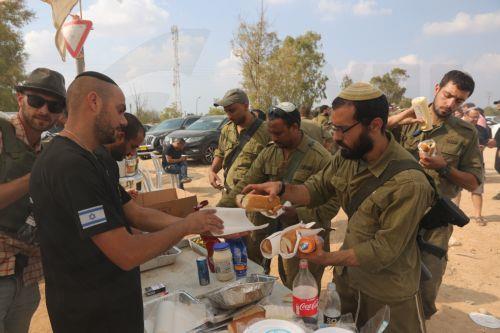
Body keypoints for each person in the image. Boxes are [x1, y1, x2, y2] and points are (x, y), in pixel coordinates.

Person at [29, 71, 224, 332]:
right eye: (120, 110)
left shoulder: (91, 159)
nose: (123, 121)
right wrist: (184, 227)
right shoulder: (70, 166)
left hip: (111, 307)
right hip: (91, 317)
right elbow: (127, 253)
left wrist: (193, 222)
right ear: (94, 102)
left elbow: (134, 213)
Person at [243, 83, 434, 332]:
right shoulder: (348, 156)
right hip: (348, 282)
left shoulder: (410, 182)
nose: (335, 137)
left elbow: (384, 250)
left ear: (375, 125)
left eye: (343, 129)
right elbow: (315, 189)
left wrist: (326, 258)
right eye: (334, 128)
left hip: (387, 294)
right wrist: (280, 189)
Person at [390, 70, 482, 319]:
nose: (451, 104)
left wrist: (443, 167)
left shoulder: (465, 133)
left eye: (459, 101)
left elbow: (474, 181)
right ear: (436, 88)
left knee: (426, 286)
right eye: (448, 95)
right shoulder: (408, 121)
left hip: (435, 221)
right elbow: (368, 135)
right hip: (396, 215)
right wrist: (400, 117)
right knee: (387, 280)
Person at [220, 102, 339, 288]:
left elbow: (332, 204)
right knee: (255, 275)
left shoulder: (321, 158)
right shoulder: (269, 151)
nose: (273, 138)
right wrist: (219, 209)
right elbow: (245, 183)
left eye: (278, 133)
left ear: (294, 127)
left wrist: (298, 215)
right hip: (266, 228)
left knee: (298, 286)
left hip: (302, 236)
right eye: (271, 133)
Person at [0, 68, 66, 333]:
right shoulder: (3, 136)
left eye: (54, 105)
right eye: (36, 101)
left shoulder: (46, 150)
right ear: (19, 99)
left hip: (27, 273)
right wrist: (36, 176)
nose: (44, 111)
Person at [209, 88, 269, 205]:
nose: (229, 116)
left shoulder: (266, 132)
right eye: (226, 111)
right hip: (229, 194)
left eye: (232, 111)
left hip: (252, 198)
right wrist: (212, 171)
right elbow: (220, 153)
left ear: (246, 106)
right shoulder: (227, 129)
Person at [454, 108, 490, 225]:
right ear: (465, 115)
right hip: (458, 164)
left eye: (477, 117)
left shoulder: (483, 130)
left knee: (477, 190)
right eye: (473, 117)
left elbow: (485, 144)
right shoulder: (457, 128)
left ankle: (478, 216)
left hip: (476, 164)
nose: (475, 119)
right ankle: (454, 213)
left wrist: (482, 148)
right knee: (456, 190)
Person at [96, 112, 145, 199]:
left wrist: (120, 196)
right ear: (120, 136)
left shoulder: (106, 159)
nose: (133, 153)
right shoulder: (103, 161)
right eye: (133, 146)